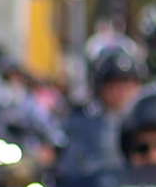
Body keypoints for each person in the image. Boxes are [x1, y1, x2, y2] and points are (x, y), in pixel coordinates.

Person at [59, 46, 146, 177]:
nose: (121, 91)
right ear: (99, 88)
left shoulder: (148, 123)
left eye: (127, 84)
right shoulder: (82, 124)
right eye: (113, 85)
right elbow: (70, 167)